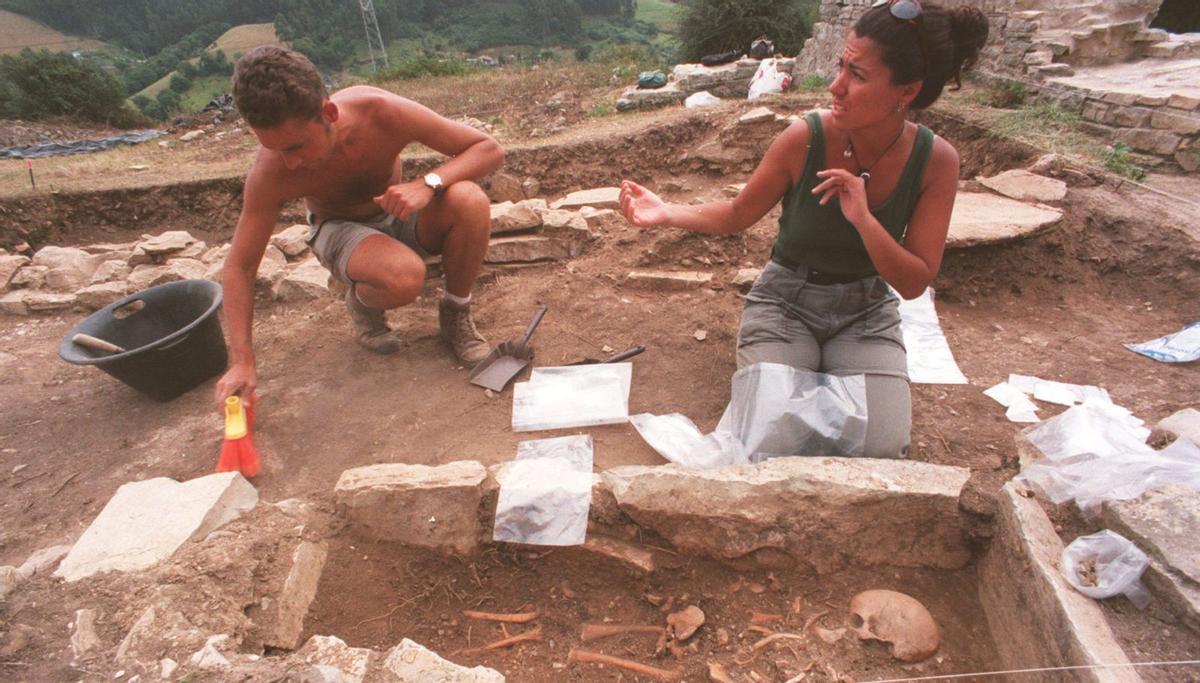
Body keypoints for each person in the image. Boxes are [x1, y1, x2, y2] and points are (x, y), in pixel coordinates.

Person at [619, 0, 988, 459]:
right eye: (841, 66)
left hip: (866, 313)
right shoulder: (805, 137)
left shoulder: (936, 161)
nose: (836, 86)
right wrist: (667, 211)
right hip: (785, 303)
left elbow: (914, 282)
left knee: (881, 448)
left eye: (858, 74)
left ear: (907, 91)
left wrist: (864, 219)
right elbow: (737, 213)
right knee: (769, 441)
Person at [214, 46, 504, 407]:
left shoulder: (381, 112)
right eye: (275, 149)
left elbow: (488, 148)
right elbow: (240, 266)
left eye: (295, 146)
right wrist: (242, 361)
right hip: (338, 227)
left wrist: (427, 184)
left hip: (394, 212)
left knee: (469, 200)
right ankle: (363, 304)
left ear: (329, 113)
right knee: (404, 277)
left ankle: (455, 314)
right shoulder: (271, 172)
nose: (289, 163)